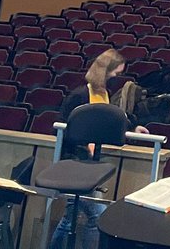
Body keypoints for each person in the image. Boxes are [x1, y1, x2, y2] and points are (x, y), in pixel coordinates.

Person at [50, 49, 148, 249]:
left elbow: (106, 120)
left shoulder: (104, 93)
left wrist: (132, 127)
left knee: (70, 218)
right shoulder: (79, 95)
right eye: (116, 73)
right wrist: (85, 143)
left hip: (91, 166)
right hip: (75, 163)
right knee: (98, 216)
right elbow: (63, 128)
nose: (117, 78)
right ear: (106, 70)